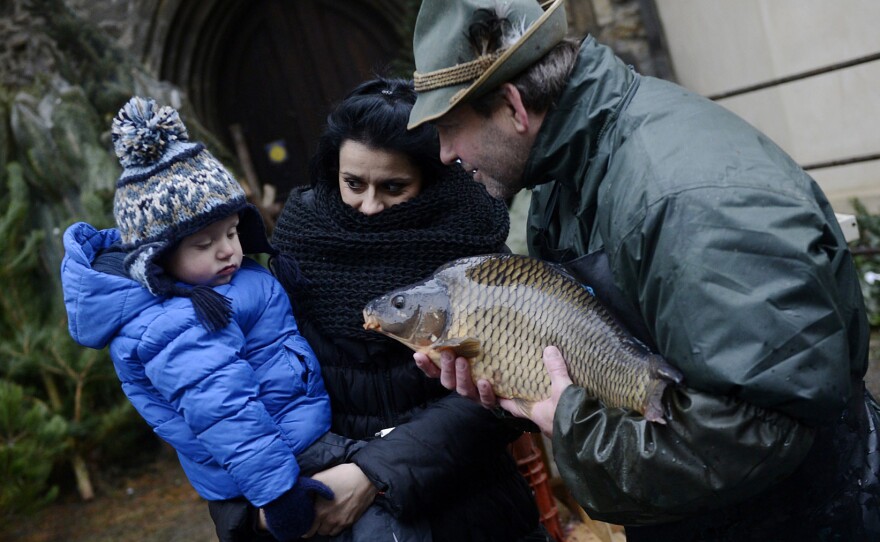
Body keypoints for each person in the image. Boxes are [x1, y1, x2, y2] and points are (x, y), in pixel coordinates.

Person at [407, 1, 880, 540]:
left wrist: (575, 425)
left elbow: (763, 426)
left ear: (514, 106)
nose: (443, 153)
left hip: (808, 518)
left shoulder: (686, 201)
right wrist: (523, 390)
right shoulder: (564, 172)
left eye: (449, 127)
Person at [60, 97, 414, 542]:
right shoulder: (174, 323)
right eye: (204, 243)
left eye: (231, 231)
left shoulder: (226, 282)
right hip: (275, 465)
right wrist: (278, 494)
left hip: (293, 439)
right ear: (158, 258)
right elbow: (224, 410)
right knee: (389, 524)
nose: (228, 249)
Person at [268, 77, 550, 541]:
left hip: (473, 513)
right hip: (340, 513)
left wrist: (374, 474)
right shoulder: (299, 249)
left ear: (430, 178)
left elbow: (498, 400)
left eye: (394, 187)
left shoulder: (475, 251)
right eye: (353, 184)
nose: (369, 206)